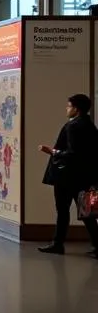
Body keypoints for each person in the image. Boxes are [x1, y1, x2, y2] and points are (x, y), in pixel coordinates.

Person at [38, 93, 98, 255]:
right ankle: (97, 245)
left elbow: (73, 153)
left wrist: (53, 151)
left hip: (67, 176)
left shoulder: (73, 126)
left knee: (63, 211)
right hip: (84, 176)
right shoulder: (89, 125)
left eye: (69, 106)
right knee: (86, 212)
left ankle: (58, 244)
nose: (66, 108)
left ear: (76, 109)